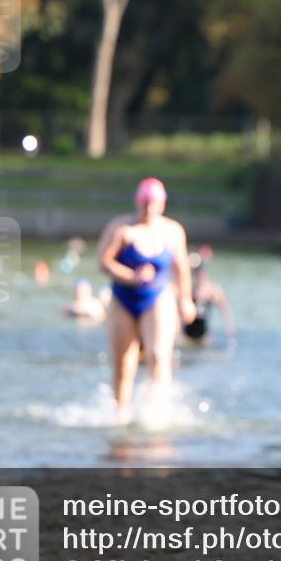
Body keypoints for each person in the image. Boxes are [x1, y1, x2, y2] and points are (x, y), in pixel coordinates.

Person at [98, 177, 196, 418]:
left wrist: (185, 300)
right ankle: (120, 413)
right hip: (123, 297)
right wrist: (133, 276)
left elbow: (182, 268)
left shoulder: (172, 231)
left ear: (162, 204)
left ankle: (158, 411)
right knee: (123, 363)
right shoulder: (122, 228)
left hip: (157, 295)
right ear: (137, 202)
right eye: (145, 203)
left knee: (159, 355)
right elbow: (104, 262)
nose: (149, 209)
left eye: (154, 204)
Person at [184, 245, 236, 346]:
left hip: (204, 335)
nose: (199, 275)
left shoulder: (213, 291)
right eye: (197, 273)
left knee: (205, 348)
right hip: (187, 334)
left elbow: (225, 309)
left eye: (201, 273)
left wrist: (230, 329)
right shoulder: (189, 289)